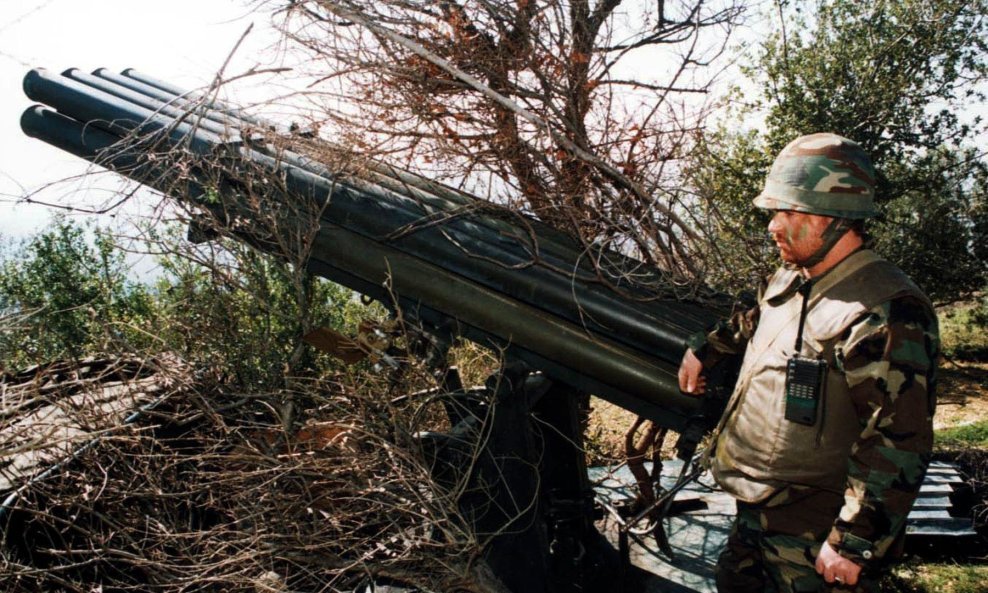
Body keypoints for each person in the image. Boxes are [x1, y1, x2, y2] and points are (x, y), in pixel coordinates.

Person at [678, 133, 939, 593]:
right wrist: (704, 349)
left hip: (817, 531)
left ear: (835, 219)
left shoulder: (884, 310)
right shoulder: (793, 276)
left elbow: (896, 440)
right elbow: (754, 318)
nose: (773, 226)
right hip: (756, 512)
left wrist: (854, 542)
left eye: (789, 212)